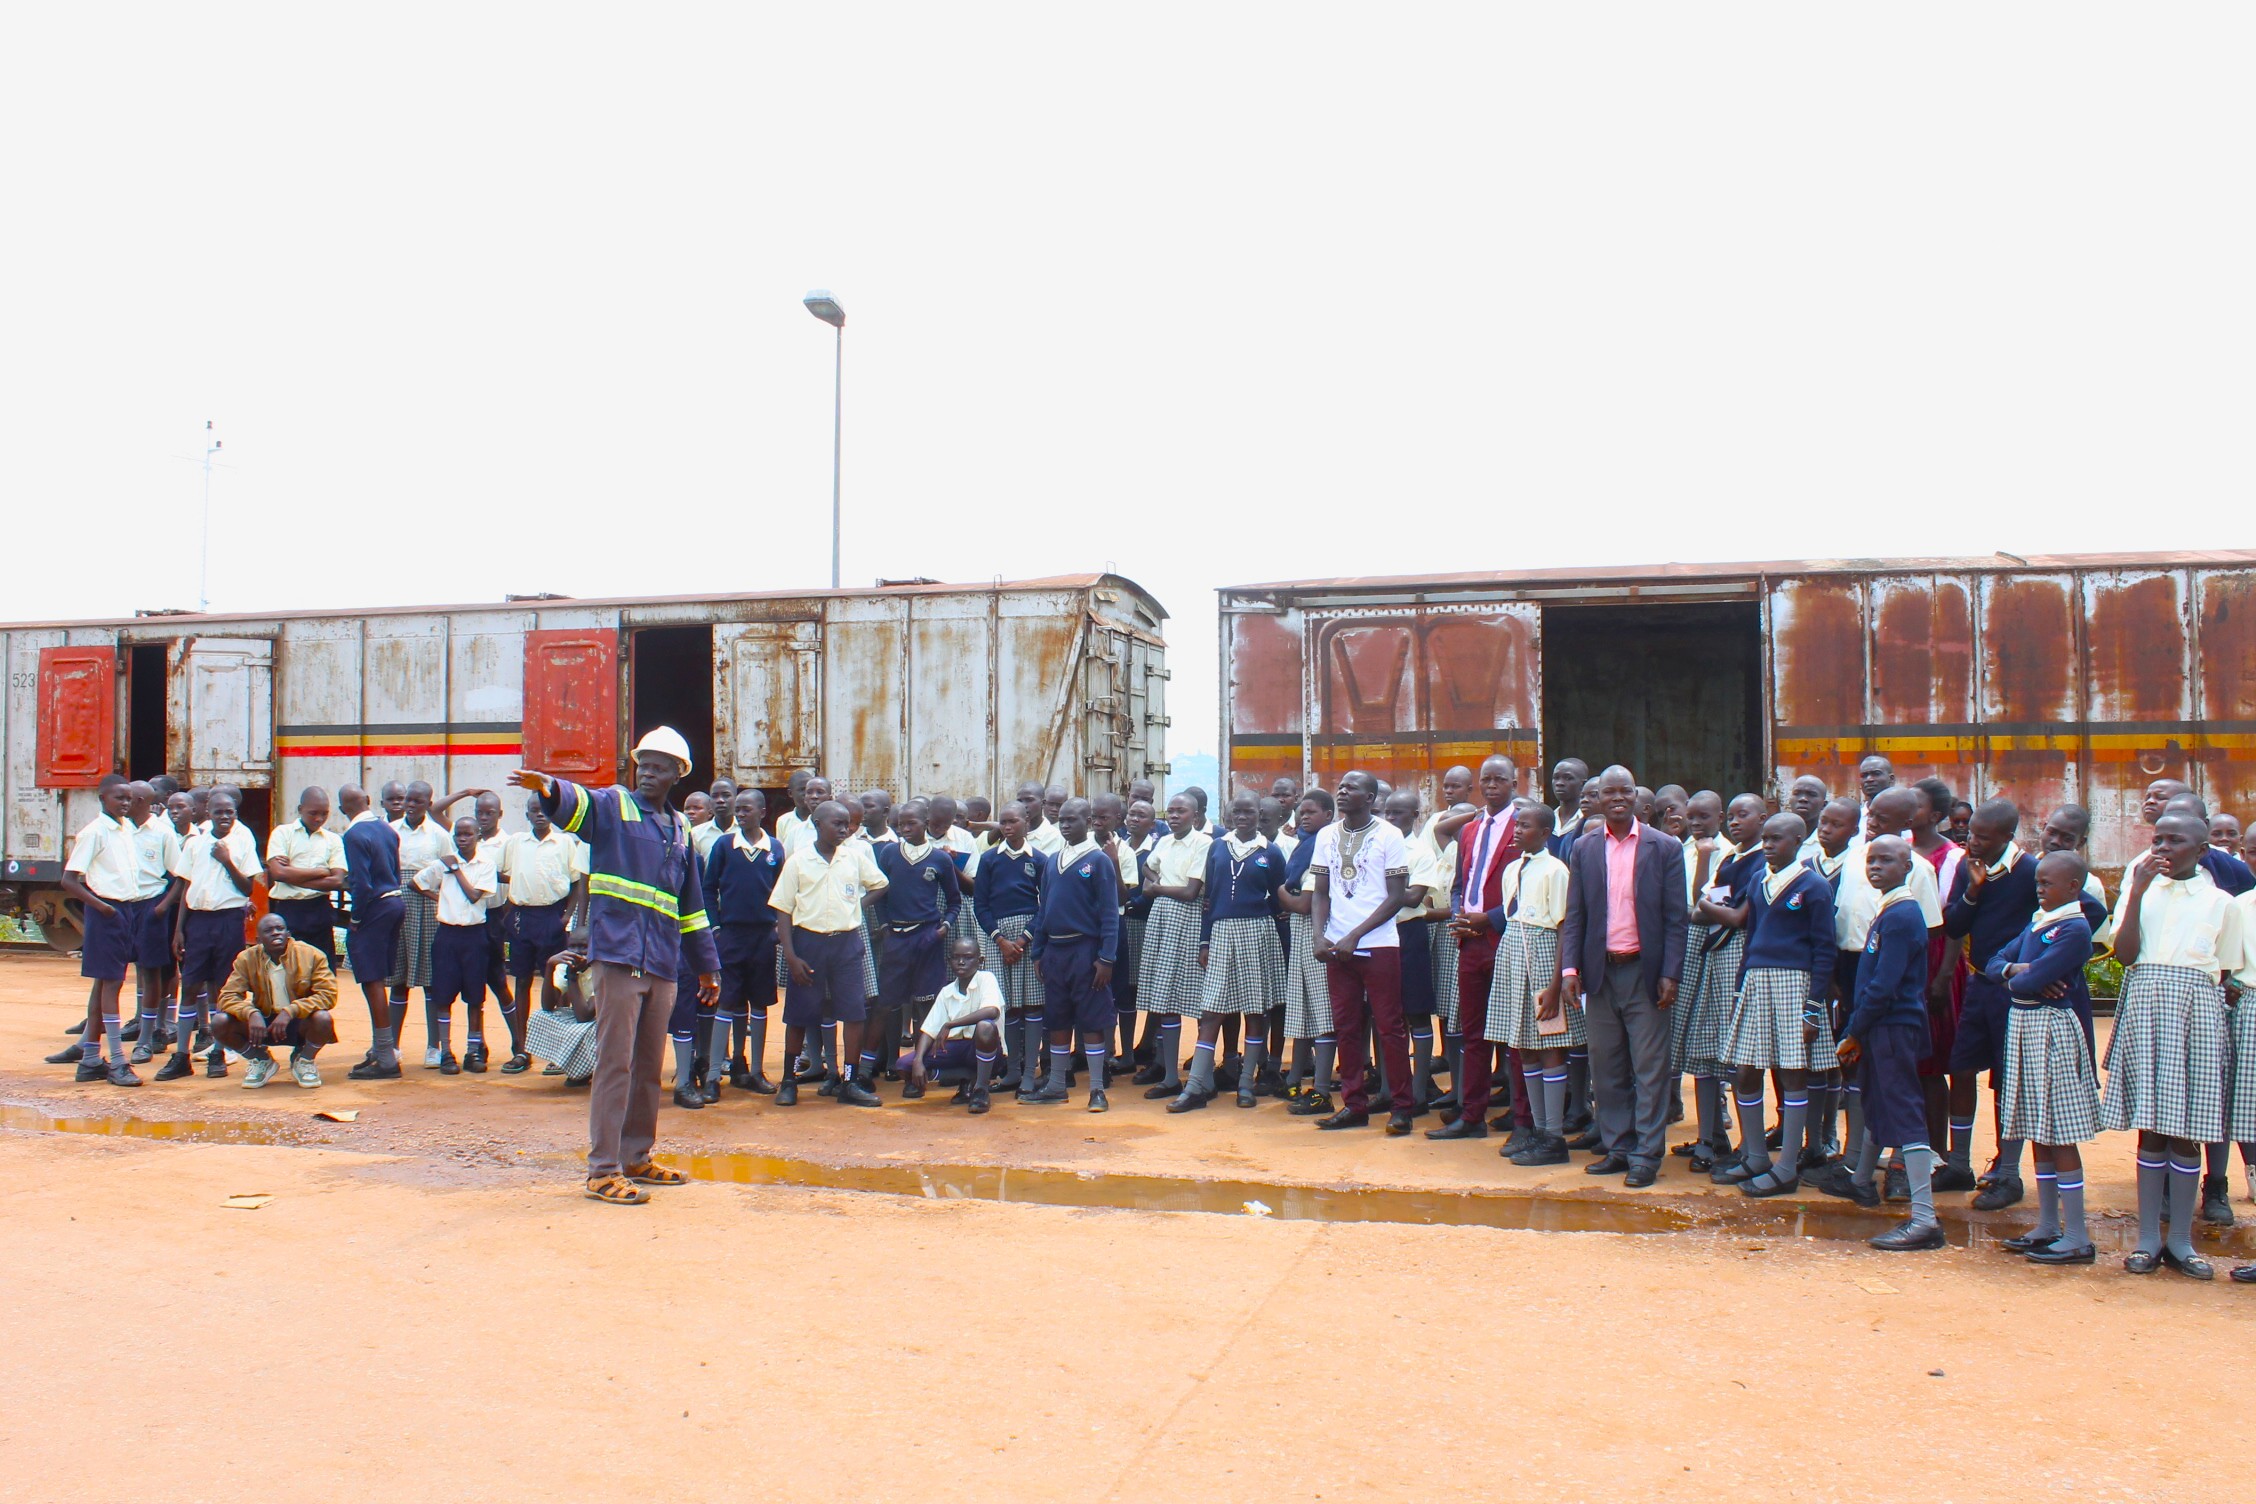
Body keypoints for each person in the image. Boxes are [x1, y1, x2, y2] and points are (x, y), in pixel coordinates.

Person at [511, 727, 720, 1205]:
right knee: (614, 1063)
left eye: (659, 766)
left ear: (677, 775)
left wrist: (706, 966)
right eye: (643, 763)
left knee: (649, 1066)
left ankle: (636, 1157)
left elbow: (691, 905)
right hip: (620, 955)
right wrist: (549, 788)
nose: (648, 771)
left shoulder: (681, 829)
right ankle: (602, 1169)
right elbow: (577, 804)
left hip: (663, 961)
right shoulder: (614, 807)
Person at [2102, 810, 2244, 1279]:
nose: (2161, 849)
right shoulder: (2140, 891)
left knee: (2187, 1125)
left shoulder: (2222, 902)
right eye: (2157, 840)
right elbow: (2124, 954)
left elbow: (2223, 971)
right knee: (2152, 1125)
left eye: (2174, 841)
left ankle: (2181, 1240)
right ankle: (2147, 1239)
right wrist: (2139, 892)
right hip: (2145, 1003)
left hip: (2196, 1012)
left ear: (2202, 851)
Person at [1556, 766, 1689, 1187]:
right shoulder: (1585, 847)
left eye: (1624, 791)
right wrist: (1570, 969)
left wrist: (1670, 972)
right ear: (1597, 799)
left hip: (1645, 974)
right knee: (1606, 1066)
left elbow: (1675, 919)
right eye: (1608, 792)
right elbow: (1575, 915)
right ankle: (1618, 1147)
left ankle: (1646, 1156)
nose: (1616, 797)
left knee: (1649, 1068)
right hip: (1599, 974)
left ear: (1636, 796)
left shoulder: (1664, 847)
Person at [1826, 836, 1943, 1250]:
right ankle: (1860, 1182)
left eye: (1887, 860)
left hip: (1892, 1026)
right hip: (1882, 1027)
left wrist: (1854, 1030)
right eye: (1871, 860)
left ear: (1907, 866)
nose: (1876, 866)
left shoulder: (1904, 915)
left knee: (1905, 1112)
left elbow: (1883, 985)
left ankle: (1925, 1219)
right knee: (1876, 1099)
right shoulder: (1889, 909)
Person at [1713, 813, 1836, 1197]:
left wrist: (1813, 1006)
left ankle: (1786, 1167)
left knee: (1792, 1072)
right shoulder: (1758, 880)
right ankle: (1755, 1156)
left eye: (1777, 839)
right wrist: (1739, 990)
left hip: (1794, 983)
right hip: (1756, 979)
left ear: (1799, 840)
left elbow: (1824, 948)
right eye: (1765, 839)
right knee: (1744, 1070)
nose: (1768, 845)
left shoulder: (1813, 886)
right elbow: (1751, 939)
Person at [1991, 851, 2101, 1265]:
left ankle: (2077, 1235)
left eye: (2047, 883)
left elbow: (2033, 980)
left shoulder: (2074, 930)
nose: (2039, 889)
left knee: (2059, 1129)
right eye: (2037, 882)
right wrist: (2019, 971)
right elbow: (1993, 963)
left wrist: (2021, 974)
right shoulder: (2039, 921)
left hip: (2051, 1028)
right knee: (2037, 1123)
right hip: (2025, 1026)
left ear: (2073, 887)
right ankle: (2048, 1224)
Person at [1944, 799, 2045, 1211]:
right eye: (1971, 835)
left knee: (2009, 1081)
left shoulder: (2031, 871)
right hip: (1979, 983)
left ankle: (2008, 1173)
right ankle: (1959, 1164)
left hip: (2013, 992)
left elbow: (2081, 914)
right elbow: (1953, 924)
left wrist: (2042, 966)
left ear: (2008, 836)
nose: (1973, 842)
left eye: (1984, 837)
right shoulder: (1970, 867)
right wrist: (1972, 891)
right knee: (1961, 1067)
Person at [1308, 770, 1414, 1134]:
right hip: (1338, 946)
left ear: (1370, 798)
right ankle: (1354, 1104)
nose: (1341, 791)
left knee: (1390, 1027)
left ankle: (1402, 1107)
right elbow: (1320, 891)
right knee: (1346, 1027)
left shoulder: (1390, 835)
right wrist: (1319, 936)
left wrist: (1356, 934)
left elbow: (1397, 896)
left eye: (1351, 787)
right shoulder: (1326, 835)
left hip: (1379, 943)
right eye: (1340, 786)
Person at [769, 797, 889, 1109]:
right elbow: (783, 909)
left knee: (853, 1014)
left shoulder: (854, 857)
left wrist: (856, 908)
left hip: (846, 944)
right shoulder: (798, 860)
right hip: (808, 944)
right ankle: (790, 1080)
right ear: (817, 825)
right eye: (837, 824)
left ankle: (849, 1082)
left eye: (847, 824)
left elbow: (881, 884)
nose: (844, 829)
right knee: (799, 1015)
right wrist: (792, 957)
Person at [1174, 793, 1285, 1112]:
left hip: (1257, 933)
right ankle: (1195, 1086)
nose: (1242, 816)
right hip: (1221, 932)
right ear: (1229, 814)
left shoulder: (1271, 852)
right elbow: (1209, 899)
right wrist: (1204, 941)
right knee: (1211, 1011)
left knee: (1254, 1011)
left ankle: (1246, 1085)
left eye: (1249, 811)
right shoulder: (1217, 847)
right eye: (1237, 811)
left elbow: (1278, 901)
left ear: (1259, 813)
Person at [1486, 804, 1578, 1163]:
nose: (1517, 832)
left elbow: (1563, 927)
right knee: (1524, 1044)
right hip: (1514, 954)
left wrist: (1556, 984)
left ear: (1545, 833)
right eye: (1515, 826)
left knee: (1550, 1041)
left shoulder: (1556, 870)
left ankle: (1554, 1137)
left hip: (1542, 957)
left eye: (1525, 826)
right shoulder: (1513, 869)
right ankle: (1538, 1131)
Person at [1438, 756, 1520, 1142]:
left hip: (1503, 940)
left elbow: (1529, 890)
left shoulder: (1525, 827)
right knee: (1473, 1034)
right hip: (1468, 942)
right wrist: (1458, 915)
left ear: (1514, 783)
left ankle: (1524, 1119)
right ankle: (1472, 1115)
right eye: (1486, 780)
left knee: (1516, 1036)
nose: (1491, 786)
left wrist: (1491, 919)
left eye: (1499, 779)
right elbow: (1460, 884)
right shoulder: (1469, 831)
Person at [1684, 795, 1767, 1170]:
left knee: (1740, 1058)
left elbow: (1737, 919)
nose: (1735, 822)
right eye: (1731, 816)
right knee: (1706, 1048)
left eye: (1742, 815)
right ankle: (1709, 1139)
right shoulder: (1730, 859)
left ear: (1762, 819)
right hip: (1715, 958)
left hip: (1740, 959)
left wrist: (1711, 908)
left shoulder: (1764, 860)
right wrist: (1705, 862)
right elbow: (1703, 904)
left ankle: (1749, 1147)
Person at [1026, 797, 1121, 1111]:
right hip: (1055, 951)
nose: (1065, 825)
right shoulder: (1053, 861)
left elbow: (1110, 914)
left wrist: (1106, 958)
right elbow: (1044, 910)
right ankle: (1055, 1085)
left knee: (1092, 1022)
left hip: (1086, 950)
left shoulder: (1098, 861)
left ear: (1089, 821)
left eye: (1072, 820)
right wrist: (1038, 951)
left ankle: (1096, 1090)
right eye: (1062, 821)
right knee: (1057, 1020)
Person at [160, 787, 259, 1081]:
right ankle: (181, 1055)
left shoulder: (242, 842)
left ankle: (218, 1051)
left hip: (228, 920)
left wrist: (227, 860)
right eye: (219, 812)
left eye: (230, 812)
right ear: (208, 814)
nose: (224, 817)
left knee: (221, 987)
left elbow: (248, 889)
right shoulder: (195, 843)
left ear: (235, 815)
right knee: (190, 985)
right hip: (198, 922)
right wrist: (179, 930)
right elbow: (187, 887)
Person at [870, 799, 961, 1094]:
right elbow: (879, 894)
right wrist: (885, 926)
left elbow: (954, 900)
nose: (905, 829)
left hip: (927, 938)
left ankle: (920, 1069)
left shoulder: (940, 859)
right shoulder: (889, 854)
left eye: (911, 824)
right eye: (900, 825)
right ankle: (873, 1066)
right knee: (886, 1005)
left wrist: (943, 927)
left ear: (926, 822)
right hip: (896, 938)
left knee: (926, 1006)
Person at [60, 776, 146, 1086]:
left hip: (124, 910)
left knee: (104, 984)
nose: (125, 803)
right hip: (107, 911)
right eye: (118, 798)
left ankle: (91, 1060)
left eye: (129, 798)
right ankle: (118, 1062)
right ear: (102, 799)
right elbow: (69, 880)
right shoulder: (94, 832)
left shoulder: (124, 829)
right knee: (112, 985)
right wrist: (103, 907)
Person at [499, 792, 589, 1071]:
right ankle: (521, 1049)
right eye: (533, 810)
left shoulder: (564, 843)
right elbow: (503, 873)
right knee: (522, 981)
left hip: (553, 916)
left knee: (558, 983)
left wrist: (566, 916)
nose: (539, 815)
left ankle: (557, 1053)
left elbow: (577, 883)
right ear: (526, 814)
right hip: (523, 916)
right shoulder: (515, 843)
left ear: (552, 814)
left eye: (544, 810)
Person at [700, 789, 779, 1095]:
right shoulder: (724, 845)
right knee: (728, 1000)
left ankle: (755, 1071)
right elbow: (708, 888)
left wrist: (774, 928)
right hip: (731, 934)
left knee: (759, 1002)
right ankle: (713, 1077)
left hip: (763, 936)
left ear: (762, 812)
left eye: (747, 809)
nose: (740, 813)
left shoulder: (775, 849)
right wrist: (716, 927)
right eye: (738, 809)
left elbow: (780, 891)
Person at [1136, 795, 1211, 1099]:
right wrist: (1159, 882)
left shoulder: (1203, 843)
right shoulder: (1164, 842)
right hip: (1162, 921)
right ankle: (1170, 1077)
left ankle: (1203, 1077)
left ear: (1195, 816)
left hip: (1188, 922)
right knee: (1165, 998)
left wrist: (1157, 888)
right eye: (1172, 811)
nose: (1175, 816)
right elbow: (1146, 869)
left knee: (1195, 997)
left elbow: (1191, 891)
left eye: (1182, 811)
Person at [213, 912, 340, 1089]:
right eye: (268, 930)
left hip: (299, 1022)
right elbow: (227, 996)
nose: (275, 933)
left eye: (280, 929)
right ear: (258, 939)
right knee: (220, 1022)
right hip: (264, 1024)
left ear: (288, 934)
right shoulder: (246, 958)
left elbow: (328, 994)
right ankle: (261, 1060)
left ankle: (305, 1061)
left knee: (323, 1019)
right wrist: (251, 1013)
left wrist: (291, 1011)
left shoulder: (312, 955)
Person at [972, 801, 1048, 1096]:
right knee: (1009, 1006)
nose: (1007, 827)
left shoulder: (1040, 860)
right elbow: (980, 904)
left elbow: (1046, 904)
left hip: (1027, 937)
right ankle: (1013, 1071)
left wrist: (1024, 938)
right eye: (1002, 822)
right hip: (997, 937)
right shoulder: (989, 859)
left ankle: (1030, 1073)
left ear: (1026, 823)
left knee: (1031, 1004)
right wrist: (1001, 940)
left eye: (1013, 821)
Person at [412, 816, 496, 1073]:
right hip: (447, 935)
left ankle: (473, 1051)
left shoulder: (485, 864)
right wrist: (439, 898)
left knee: (474, 997)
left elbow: (473, 896)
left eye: (467, 834)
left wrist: (456, 869)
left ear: (477, 836)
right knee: (443, 996)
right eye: (458, 834)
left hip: (474, 935)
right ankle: (446, 1052)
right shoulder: (443, 864)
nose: (462, 838)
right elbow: (415, 883)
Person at [392, 782, 465, 1066]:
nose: (410, 805)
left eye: (417, 801)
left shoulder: (439, 835)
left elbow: (449, 869)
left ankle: (433, 1047)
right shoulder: (392, 830)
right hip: (399, 904)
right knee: (399, 979)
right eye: (408, 800)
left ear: (428, 803)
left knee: (431, 979)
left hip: (427, 906)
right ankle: (393, 1045)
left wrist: (437, 897)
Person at [340, 783, 406, 1081]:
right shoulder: (387, 829)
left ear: (343, 810)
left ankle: (385, 1056)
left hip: (375, 907)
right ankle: (384, 1050)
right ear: (368, 800)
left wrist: (355, 917)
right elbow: (396, 869)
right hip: (395, 902)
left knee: (372, 980)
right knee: (380, 978)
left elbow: (361, 883)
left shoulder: (353, 834)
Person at [1277, 789, 1337, 1112]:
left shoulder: (1324, 844)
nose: (1304, 817)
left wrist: (1280, 894)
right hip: (1303, 932)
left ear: (1329, 815)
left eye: (1311, 812)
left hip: (1319, 932)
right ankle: (1293, 1081)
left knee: (1322, 1010)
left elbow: (1303, 902)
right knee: (1301, 1008)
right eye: (1301, 812)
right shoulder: (1305, 844)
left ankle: (1322, 1090)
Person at [902, 938, 1006, 1113]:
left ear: (980, 960)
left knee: (985, 1028)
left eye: (968, 957)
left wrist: (951, 1024)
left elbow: (992, 1012)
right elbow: (928, 1031)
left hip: (986, 1051)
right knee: (904, 1065)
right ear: (949, 961)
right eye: (956, 957)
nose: (961, 962)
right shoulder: (947, 991)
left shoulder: (986, 978)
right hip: (957, 1049)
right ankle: (967, 1080)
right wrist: (918, 1061)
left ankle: (980, 1089)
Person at [124, 780, 184, 1059]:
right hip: (123, 906)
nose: (123, 803)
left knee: (152, 972)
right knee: (120, 971)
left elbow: (180, 876)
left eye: (129, 798)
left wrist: (162, 907)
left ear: (140, 801)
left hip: (150, 906)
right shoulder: (120, 830)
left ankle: (147, 1038)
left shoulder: (162, 833)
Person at [265, 786, 346, 966]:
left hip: (319, 908)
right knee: (288, 968)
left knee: (321, 969)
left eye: (324, 814)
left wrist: (293, 875)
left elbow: (337, 880)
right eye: (313, 813)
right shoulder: (282, 833)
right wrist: (321, 872)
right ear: (300, 809)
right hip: (289, 909)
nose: (319, 819)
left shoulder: (333, 840)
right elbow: (278, 873)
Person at [1547, 758, 1591, 856]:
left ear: (1583, 784)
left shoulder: (1588, 822)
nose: (1559, 783)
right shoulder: (1547, 820)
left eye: (1568, 778)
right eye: (1556, 777)